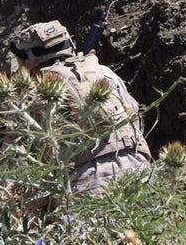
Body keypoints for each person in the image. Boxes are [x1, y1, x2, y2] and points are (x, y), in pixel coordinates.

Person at [8, 20, 152, 195]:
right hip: (141, 171)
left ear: (30, 64)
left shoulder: (35, 94)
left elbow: (23, 161)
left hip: (90, 183)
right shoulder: (106, 72)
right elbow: (135, 116)